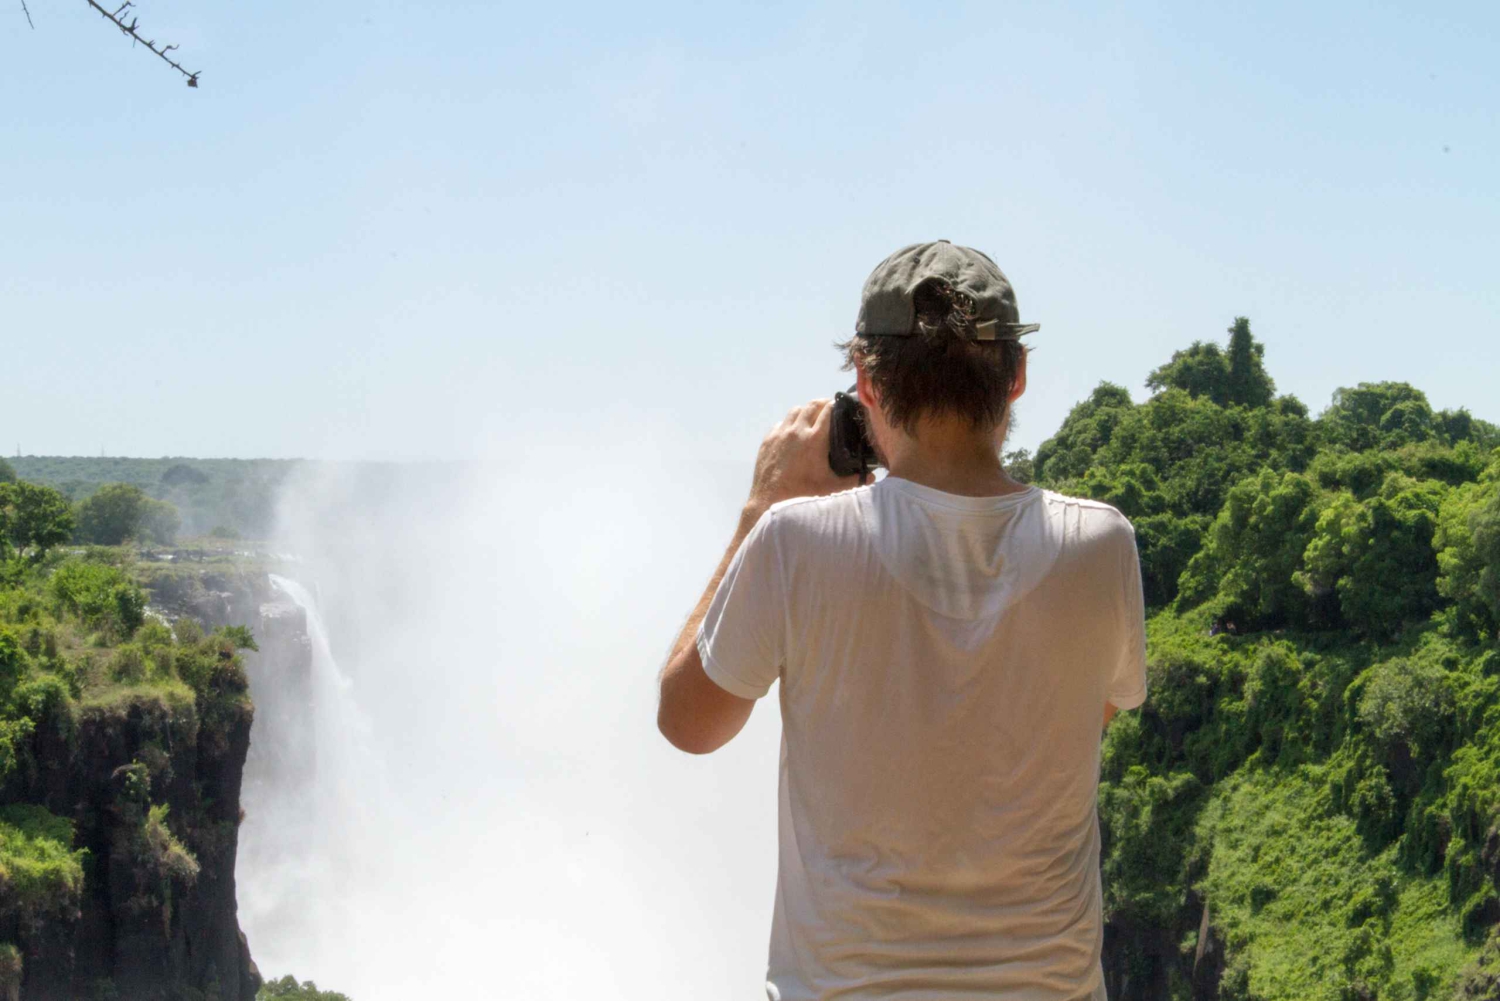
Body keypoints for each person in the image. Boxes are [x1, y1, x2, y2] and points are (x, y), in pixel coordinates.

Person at [657, 240, 1147, 1001]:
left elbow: (689, 722)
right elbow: (1091, 714)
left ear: (865, 381)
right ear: (1016, 377)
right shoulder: (1101, 545)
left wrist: (760, 511)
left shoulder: (794, 544)